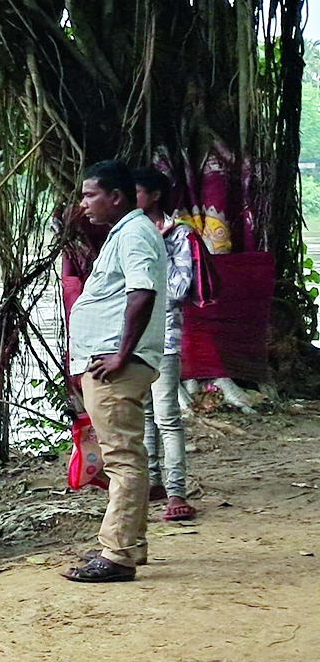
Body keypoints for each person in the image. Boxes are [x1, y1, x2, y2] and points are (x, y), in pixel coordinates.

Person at [64, 160, 167, 583]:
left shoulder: (135, 233)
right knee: (121, 455)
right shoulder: (124, 234)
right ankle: (127, 542)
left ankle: (119, 554)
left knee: (122, 457)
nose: (84, 204)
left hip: (115, 365)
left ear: (116, 196)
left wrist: (121, 354)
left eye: (90, 195)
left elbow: (142, 292)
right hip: (108, 361)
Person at [133, 167, 197, 522]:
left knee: (167, 418)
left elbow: (177, 290)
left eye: (137, 192)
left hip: (165, 338)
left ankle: (176, 492)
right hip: (135, 339)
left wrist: (159, 247)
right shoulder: (133, 232)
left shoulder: (180, 235)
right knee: (144, 415)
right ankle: (153, 481)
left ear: (155, 195)